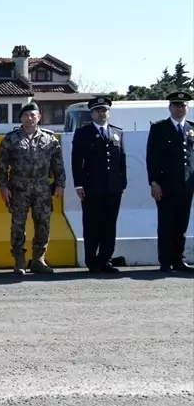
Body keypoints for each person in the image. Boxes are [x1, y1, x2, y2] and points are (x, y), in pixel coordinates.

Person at [0, 102, 65, 275]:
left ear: (39, 117)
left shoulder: (50, 138)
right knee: (18, 225)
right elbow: (1, 165)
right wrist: (3, 187)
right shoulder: (11, 139)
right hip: (19, 187)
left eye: (33, 115)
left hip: (42, 187)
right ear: (21, 118)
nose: (30, 118)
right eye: (26, 115)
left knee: (43, 224)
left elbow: (58, 164)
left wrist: (60, 184)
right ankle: (19, 259)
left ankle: (38, 259)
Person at [71, 96, 127, 273]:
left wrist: (122, 184)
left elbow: (122, 160)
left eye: (104, 110)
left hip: (113, 187)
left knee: (109, 225)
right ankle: (92, 261)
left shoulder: (117, 132)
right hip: (91, 187)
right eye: (98, 111)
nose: (101, 113)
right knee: (92, 224)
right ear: (92, 113)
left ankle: (105, 259)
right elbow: (76, 161)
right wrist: (78, 184)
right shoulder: (83, 133)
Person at [145, 90, 194, 271]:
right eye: (176, 105)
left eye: (183, 105)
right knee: (166, 224)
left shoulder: (191, 129)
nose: (180, 108)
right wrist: (154, 182)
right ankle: (165, 261)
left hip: (187, 185)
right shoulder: (159, 128)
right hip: (165, 186)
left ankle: (178, 259)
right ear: (170, 107)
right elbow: (152, 157)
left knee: (181, 225)